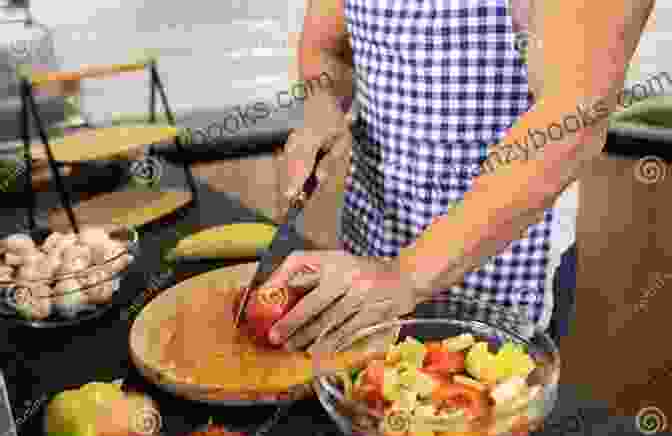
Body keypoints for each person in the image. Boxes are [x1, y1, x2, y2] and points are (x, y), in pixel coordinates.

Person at [265, 0, 655, 351]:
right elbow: (328, 50)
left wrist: (403, 277)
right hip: (364, 260)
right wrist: (322, 108)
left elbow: (573, 120)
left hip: (500, 281)